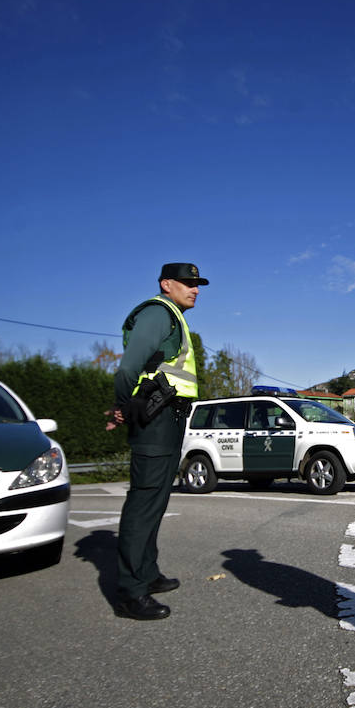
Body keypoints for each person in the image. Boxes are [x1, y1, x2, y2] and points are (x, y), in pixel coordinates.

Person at [112, 262, 207, 621]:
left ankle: (147, 574)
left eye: (198, 284)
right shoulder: (158, 313)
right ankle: (130, 592)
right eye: (187, 283)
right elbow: (127, 368)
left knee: (157, 499)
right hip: (155, 418)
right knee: (144, 501)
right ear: (167, 284)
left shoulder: (174, 317)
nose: (195, 289)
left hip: (168, 417)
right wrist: (122, 406)